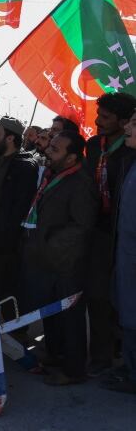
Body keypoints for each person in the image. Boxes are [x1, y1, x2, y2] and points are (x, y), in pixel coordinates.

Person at [20, 130, 96, 386]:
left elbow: (81, 226)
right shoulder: (54, 175)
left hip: (66, 262)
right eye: (50, 146)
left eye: (55, 149)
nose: (48, 151)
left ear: (72, 157)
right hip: (47, 261)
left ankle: (74, 370)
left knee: (70, 317)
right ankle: (55, 354)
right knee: (50, 312)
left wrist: (50, 244)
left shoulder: (81, 183)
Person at [83, 92, 136, 375]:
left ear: (124, 121)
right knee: (97, 294)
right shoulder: (93, 146)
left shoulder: (131, 150)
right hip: (97, 232)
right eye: (98, 114)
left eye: (105, 117)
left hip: (124, 232)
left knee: (122, 296)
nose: (97, 121)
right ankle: (102, 356)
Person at [0, 117, 37, 327]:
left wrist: (8, 238)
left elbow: (19, 208)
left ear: (10, 138)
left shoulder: (24, 167)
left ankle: (16, 332)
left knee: (8, 288)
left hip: (7, 242)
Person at [104, 111, 136, 394]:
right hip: (125, 256)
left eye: (134, 123)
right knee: (127, 315)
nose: (127, 127)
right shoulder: (131, 165)